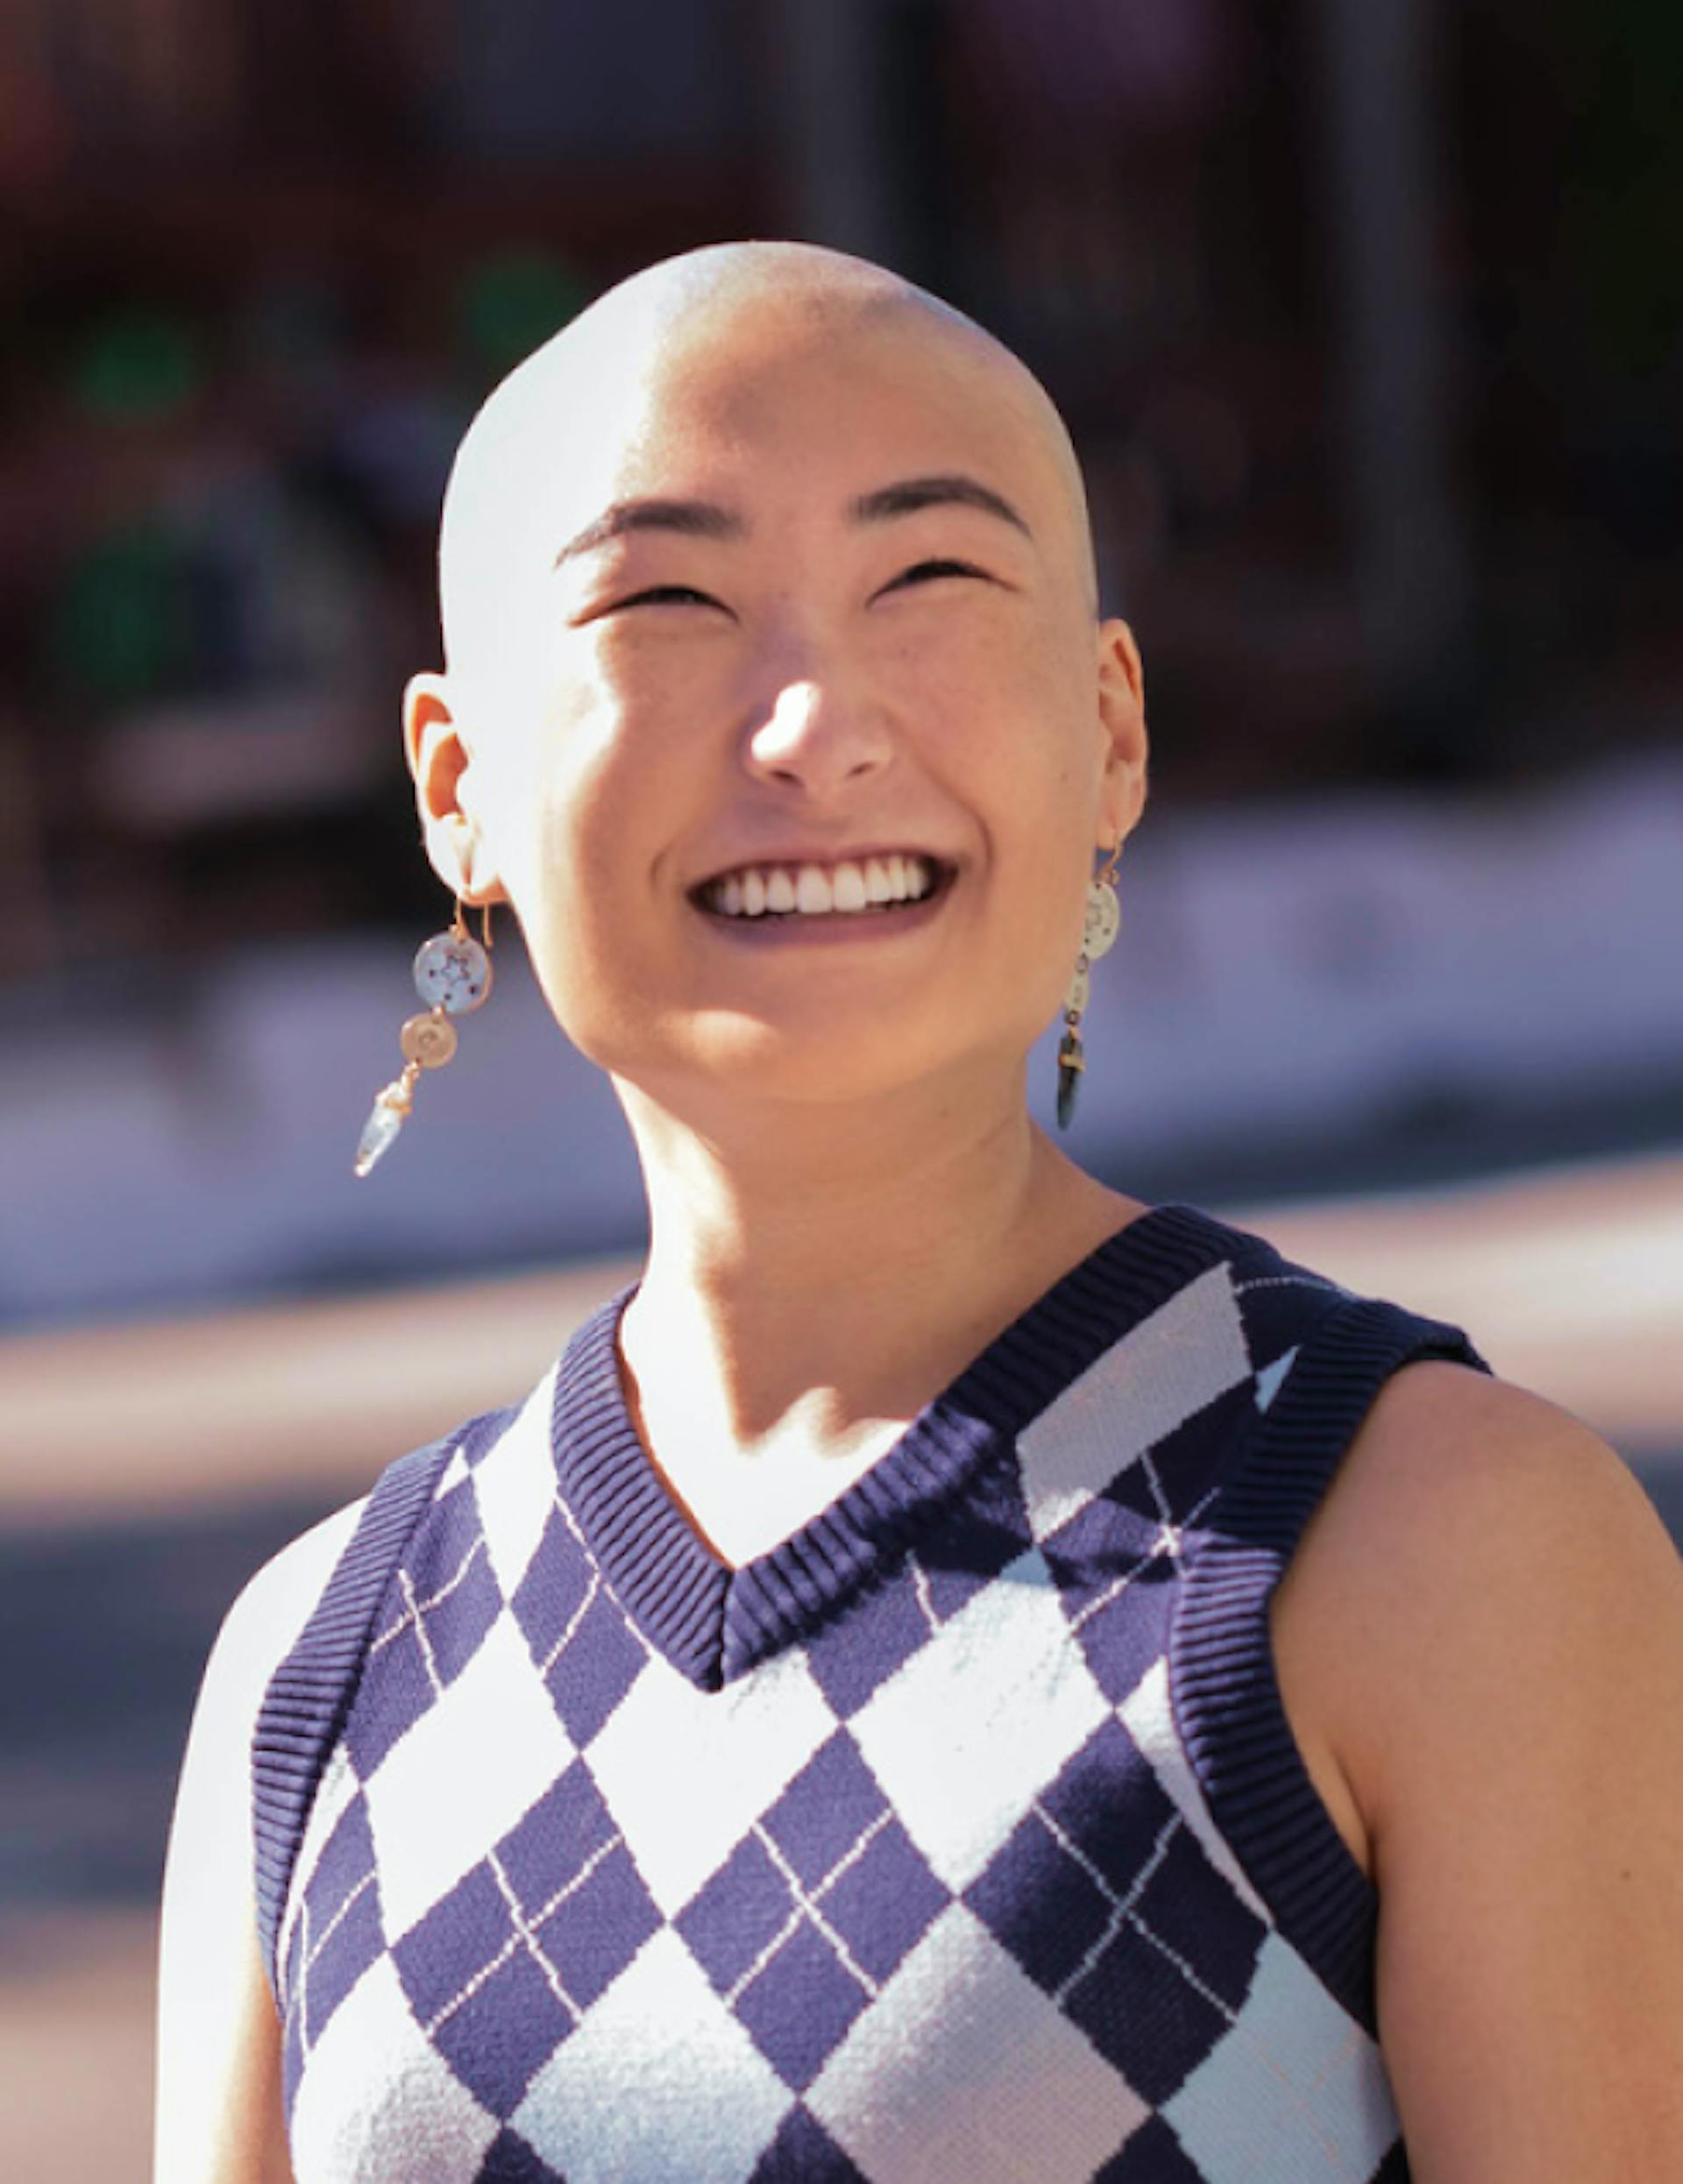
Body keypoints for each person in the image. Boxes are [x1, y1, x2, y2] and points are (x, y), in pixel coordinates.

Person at [154, 242, 1683, 2184]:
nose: (816, 724)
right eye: (669, 600)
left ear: (1112, 727)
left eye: (931, 580)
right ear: (459, 785)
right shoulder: (323, 1665)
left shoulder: (1435, 1542)